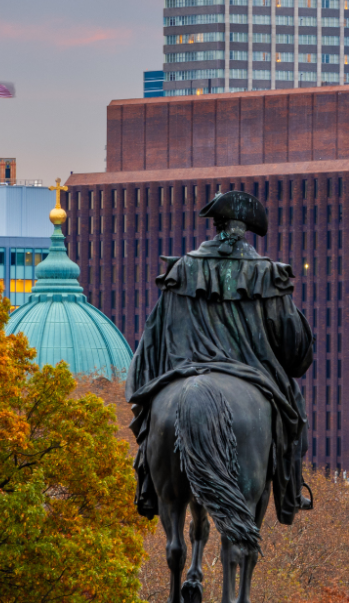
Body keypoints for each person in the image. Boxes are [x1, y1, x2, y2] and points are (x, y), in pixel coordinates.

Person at [126, 190, 314, 522]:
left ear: (216, 225)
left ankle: (147, 484)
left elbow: (153, 336)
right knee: (294, 418)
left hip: (184, 369)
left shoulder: (182, 269)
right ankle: (292, 492)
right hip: (252, 371)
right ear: (246, 230)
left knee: (156, 413)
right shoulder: (267, 274)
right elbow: (293, 346)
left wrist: (147, 387)